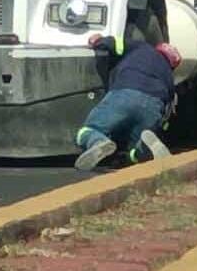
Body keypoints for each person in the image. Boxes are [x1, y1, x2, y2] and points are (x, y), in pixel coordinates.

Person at [74, 33, 181, 171]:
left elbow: (115, 44)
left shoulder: (142, 47)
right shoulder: (169, 78)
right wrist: (157, 129)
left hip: (126, 92)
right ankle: (142, 149)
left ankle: (98, 141)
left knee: (89, 130)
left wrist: (99, 41)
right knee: (133, 152)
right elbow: (166, 117)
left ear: (158, 49)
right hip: (154, 106)